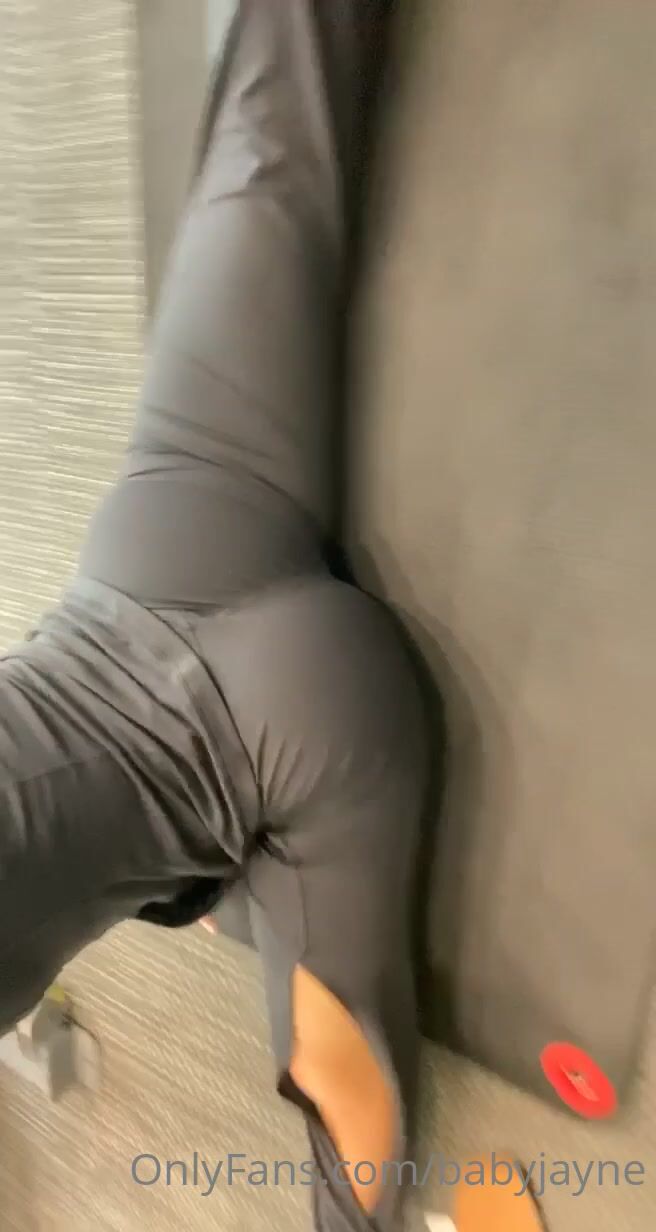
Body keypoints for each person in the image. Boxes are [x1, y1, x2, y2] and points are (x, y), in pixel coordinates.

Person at [0, 2, 429, 1228]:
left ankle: (189, 862)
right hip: (162, 556)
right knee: (262, 162)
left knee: (350, 1117)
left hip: (303, 725)